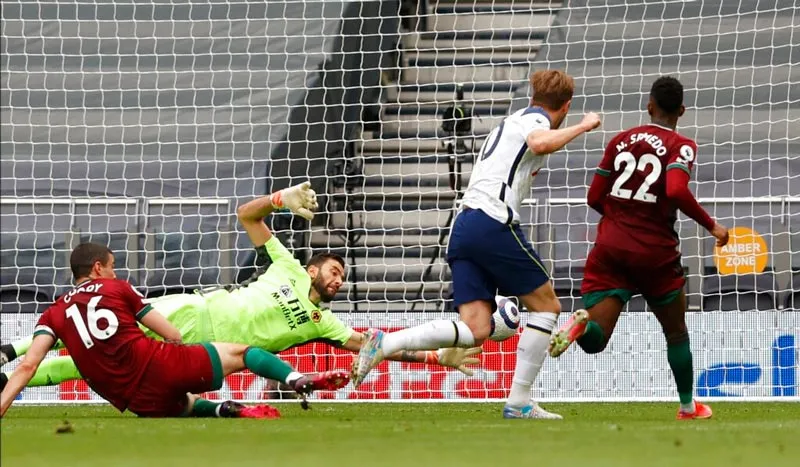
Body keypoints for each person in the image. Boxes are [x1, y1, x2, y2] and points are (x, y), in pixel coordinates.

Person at [1, 182, 480, 390]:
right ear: (313, 270)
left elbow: (376, 346)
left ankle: (6, 379)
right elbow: (246, 215)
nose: (338, 278)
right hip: (190, 308)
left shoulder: (325, 323)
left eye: (343, 277)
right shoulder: (289, 266)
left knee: (92, 364)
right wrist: (281, 200)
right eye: (333, 269)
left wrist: (435, 357)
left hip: (200, 347)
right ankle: (8, 351)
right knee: (90, 325)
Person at [351, 69, 602, 419]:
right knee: (546, 307)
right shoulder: (534, 122)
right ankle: (519, 402)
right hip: (493, 221)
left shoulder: (509, 122)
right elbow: (540, 143)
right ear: (567, 106)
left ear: (534, 95)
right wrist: (585, 125)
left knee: (476, 328)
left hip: (465, 224)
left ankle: (385, 342)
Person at [547, 76, 730, 420]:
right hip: (654, 253)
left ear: (649, 106)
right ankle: (688, 407)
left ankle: (581, 325)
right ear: (682, 111)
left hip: (610, 247)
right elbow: (675, 190)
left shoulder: (620, 140)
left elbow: (593, 197)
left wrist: (619, 220)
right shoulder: (681, 145)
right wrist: (712, 225)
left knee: (597, 340)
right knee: (675, 330)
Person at [0, 243, 348, 418]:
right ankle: (297, 381)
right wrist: (174, 345)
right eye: (112, 266)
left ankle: (228, 410)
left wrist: (11, 366)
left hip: (131, 399)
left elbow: (31, 363)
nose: (115, 270)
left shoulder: (56, 309)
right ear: (98, 268)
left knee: (82, 360)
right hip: (167, 349)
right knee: (243, 353)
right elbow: (170, 332)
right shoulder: (118, 288)